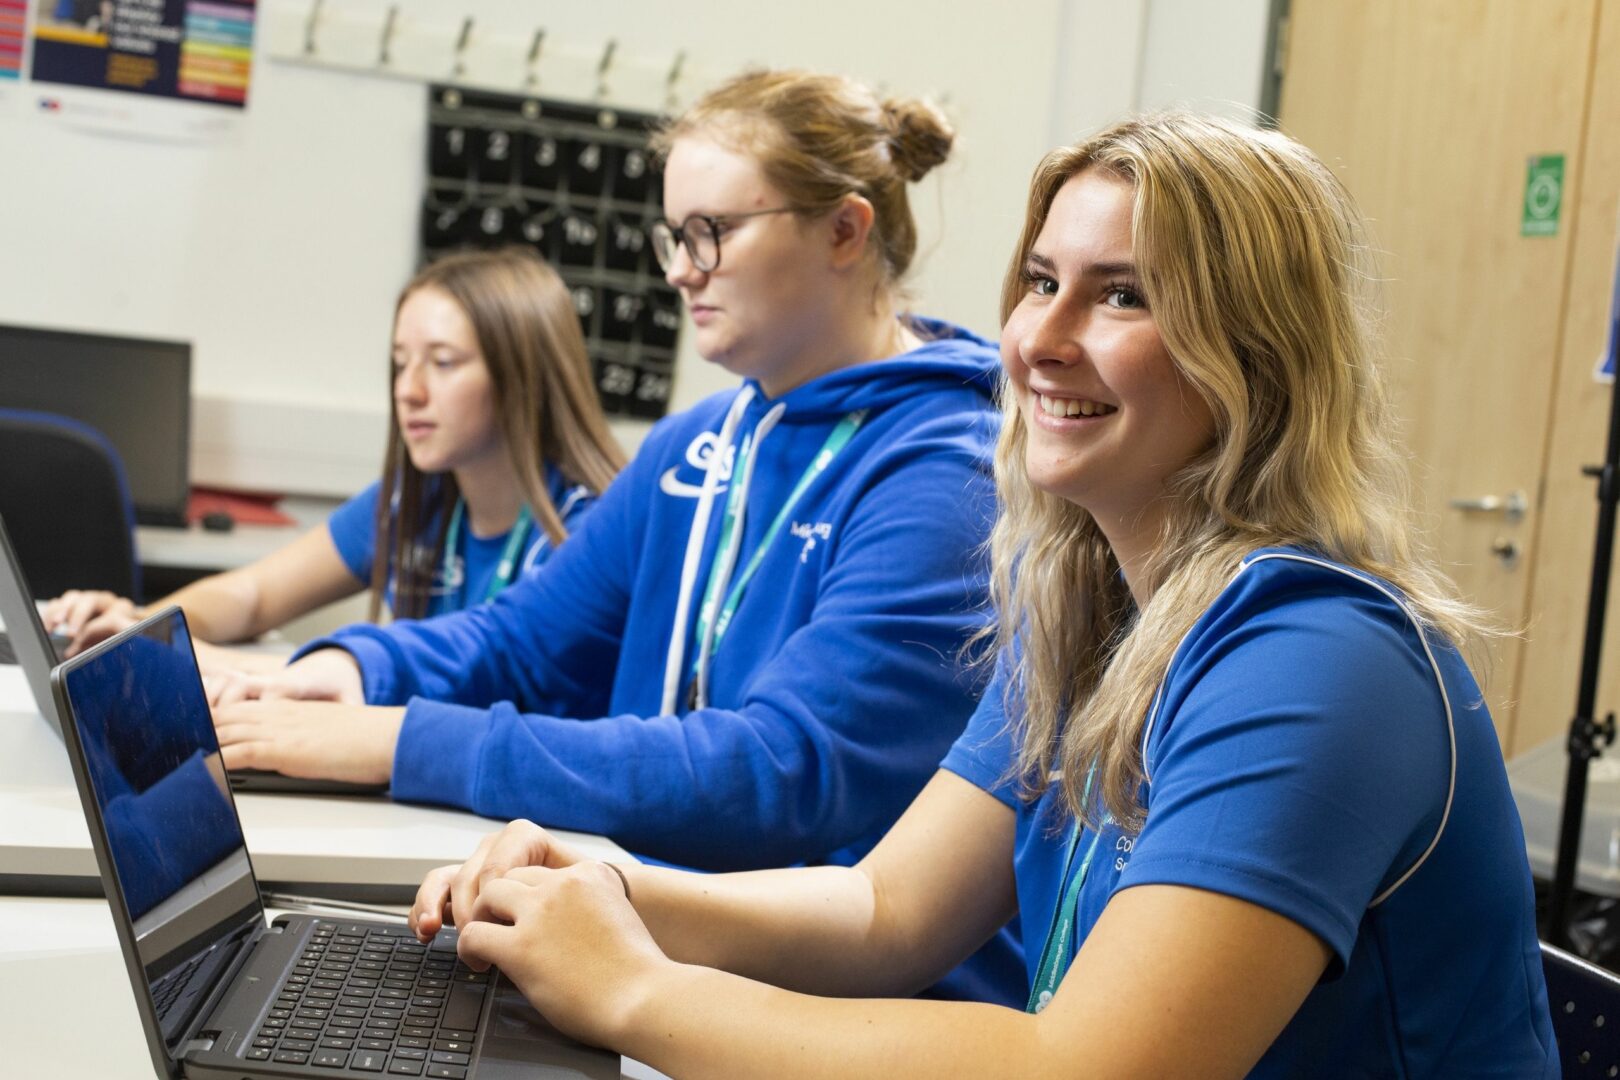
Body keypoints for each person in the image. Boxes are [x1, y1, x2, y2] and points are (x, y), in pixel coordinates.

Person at [404, 113, 1561, 1077]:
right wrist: (613, 893)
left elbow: (1085, 1071)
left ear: (1257, 352)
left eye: (1121, 297)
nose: (1037, 341)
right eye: (1043, 282)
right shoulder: (1098, 612)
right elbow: (882, 915)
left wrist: (635, 997)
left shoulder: (1316, 662)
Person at [207, 69, 1025, 1006]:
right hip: (659, 943)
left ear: (845, 229)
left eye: (711, 232)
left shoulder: (947, 469)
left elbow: (778, 772)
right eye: (675, 236)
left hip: (848, 1006)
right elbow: (519, 640)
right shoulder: (699, 441)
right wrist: (350, 673)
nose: (680, 270)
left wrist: (400, 740)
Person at [45, 248, 623, 666]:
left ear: (524, 378)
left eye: (442, 362)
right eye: (400, 362)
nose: (408, 390)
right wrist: (137, 628)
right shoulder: (417, 497)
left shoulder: (587, 528)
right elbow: (254, 595)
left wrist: (231, 667)